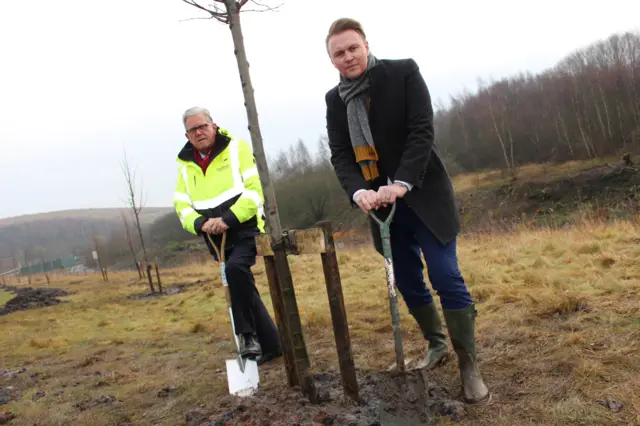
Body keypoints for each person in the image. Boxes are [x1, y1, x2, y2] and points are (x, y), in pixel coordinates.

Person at [323, 18, 491, 404]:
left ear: (366, 45)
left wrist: (401, 181)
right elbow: (341, 155)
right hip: (383, 210)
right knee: (407, 280)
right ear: (331, 60)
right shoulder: (335, 101)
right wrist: (358, 192)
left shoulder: (403, 73)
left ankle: (469, 365)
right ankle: (436, 344)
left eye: (353, 48)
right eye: (338, 53)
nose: (347, 57)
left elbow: (422, 130)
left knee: (445, 274)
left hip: (423, 194)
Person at [173, 106, 282, 365]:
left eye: (203, 126)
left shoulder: (237, 149)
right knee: (242, 285)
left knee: (235, 272)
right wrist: (200, 223)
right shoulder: (185, 166)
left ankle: (247, 336)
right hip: (214, 238)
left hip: (245, 228)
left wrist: (227, 219)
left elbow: (255, 191)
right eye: (193, 129)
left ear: (213, 125)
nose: (199, 132)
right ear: (187, 135)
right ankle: (273, 345)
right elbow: (181, 205)